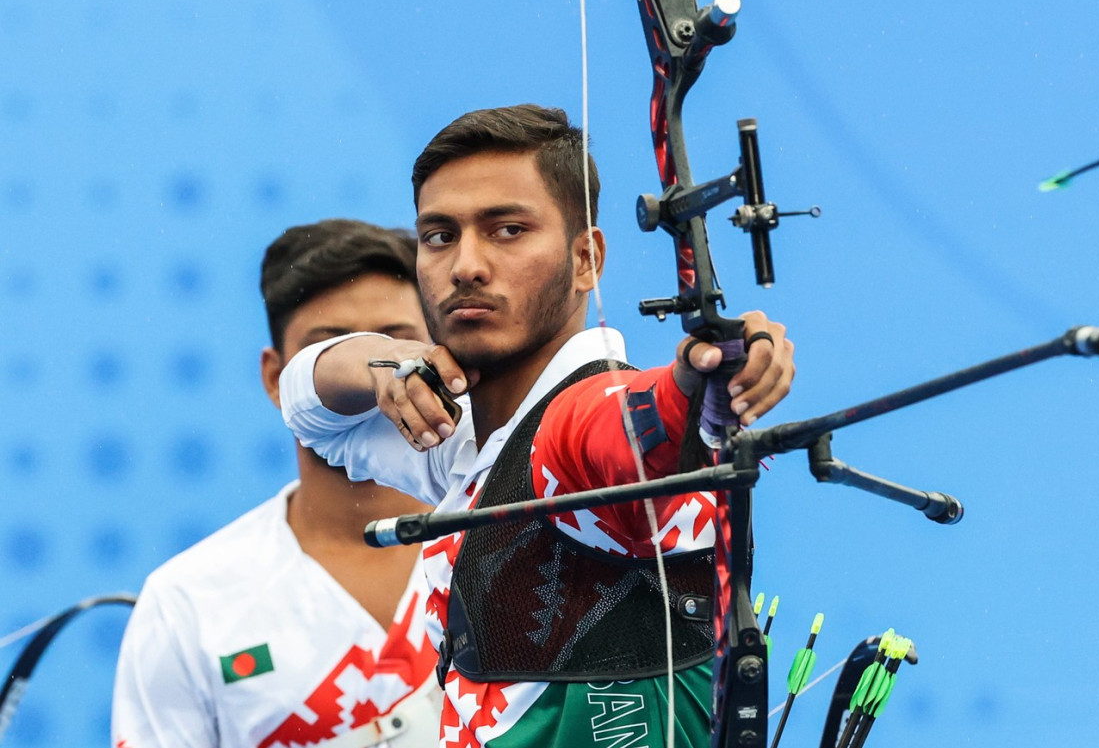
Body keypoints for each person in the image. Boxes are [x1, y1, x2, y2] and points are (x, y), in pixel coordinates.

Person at [278, 105, 795, 748]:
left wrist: (700, 378)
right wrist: (387, 366)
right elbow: (307, 403)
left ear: (587, 260)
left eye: (508, 230)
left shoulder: (580, 419)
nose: (466, 264)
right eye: (440, 236)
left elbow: (623, 433)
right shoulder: (461, 438)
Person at [113, 220, 447, 748]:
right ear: (277, 379)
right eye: (332, 348)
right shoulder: (188, 602)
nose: (370, 373)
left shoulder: (513, 546)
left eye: (396, 341)